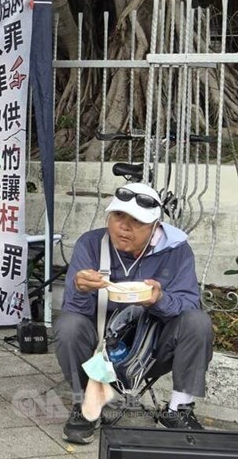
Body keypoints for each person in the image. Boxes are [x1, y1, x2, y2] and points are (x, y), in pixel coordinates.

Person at [55, 182, 213, 444]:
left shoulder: (176, 250)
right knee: (68, 325)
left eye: (137, 221)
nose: (124, 227)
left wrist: (160, 299)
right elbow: (75, 311)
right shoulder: (91, 245)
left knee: (198, 322)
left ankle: (179, 409)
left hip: (153, 348)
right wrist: (80, 289)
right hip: (101, 348)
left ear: (155, 226)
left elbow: (189, 303)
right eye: (118, 216)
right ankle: (86, 405)